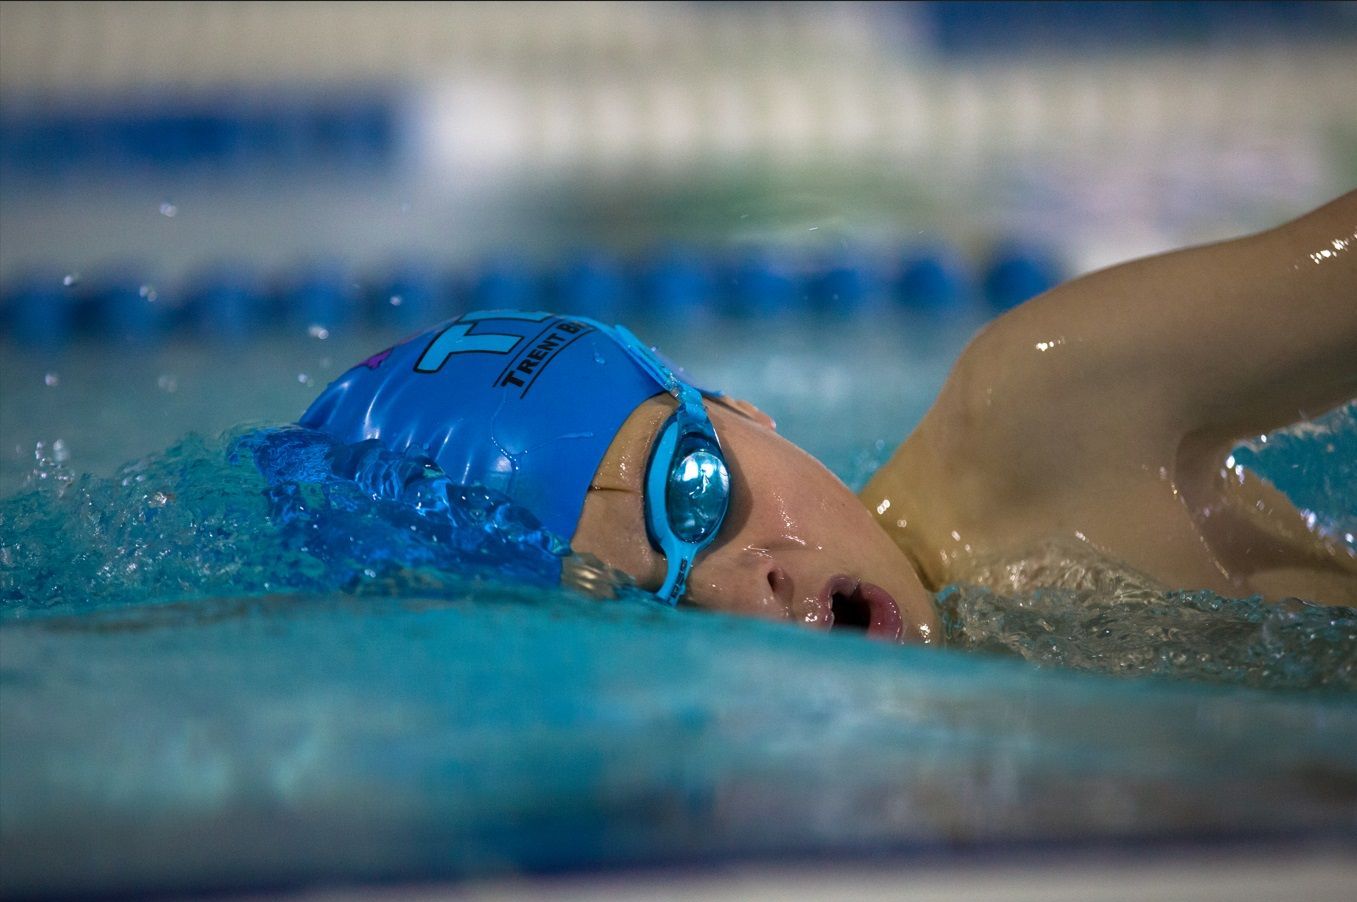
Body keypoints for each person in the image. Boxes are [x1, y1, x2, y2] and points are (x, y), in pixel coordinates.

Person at [301, 192, 1357, 644]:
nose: (738, 586)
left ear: (740, 410)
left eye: (694, 491)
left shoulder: (1046, 411)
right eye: (646, 612)